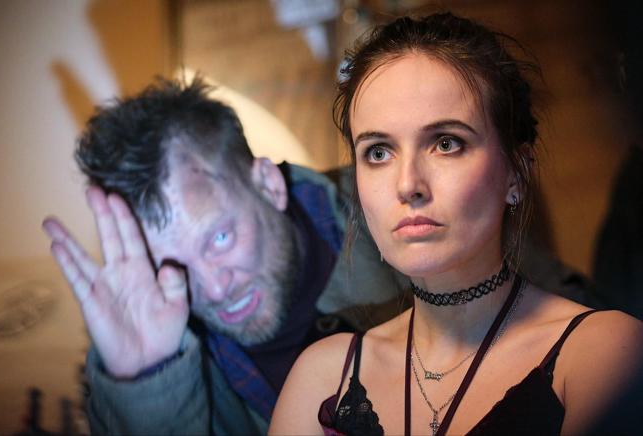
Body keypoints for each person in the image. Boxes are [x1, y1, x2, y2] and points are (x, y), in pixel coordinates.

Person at [269, 13, 643, 435]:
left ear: (516, 172)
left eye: (446, 143)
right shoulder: (323, 377)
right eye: (378, 152)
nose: (408, 185)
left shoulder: (604, 352)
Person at [42, 78, 407, 435]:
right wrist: (149, 384)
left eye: (219, 238)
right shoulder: (158, 349)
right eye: (172, 268)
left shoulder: (403, 210)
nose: (215, 290)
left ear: (269, 185)